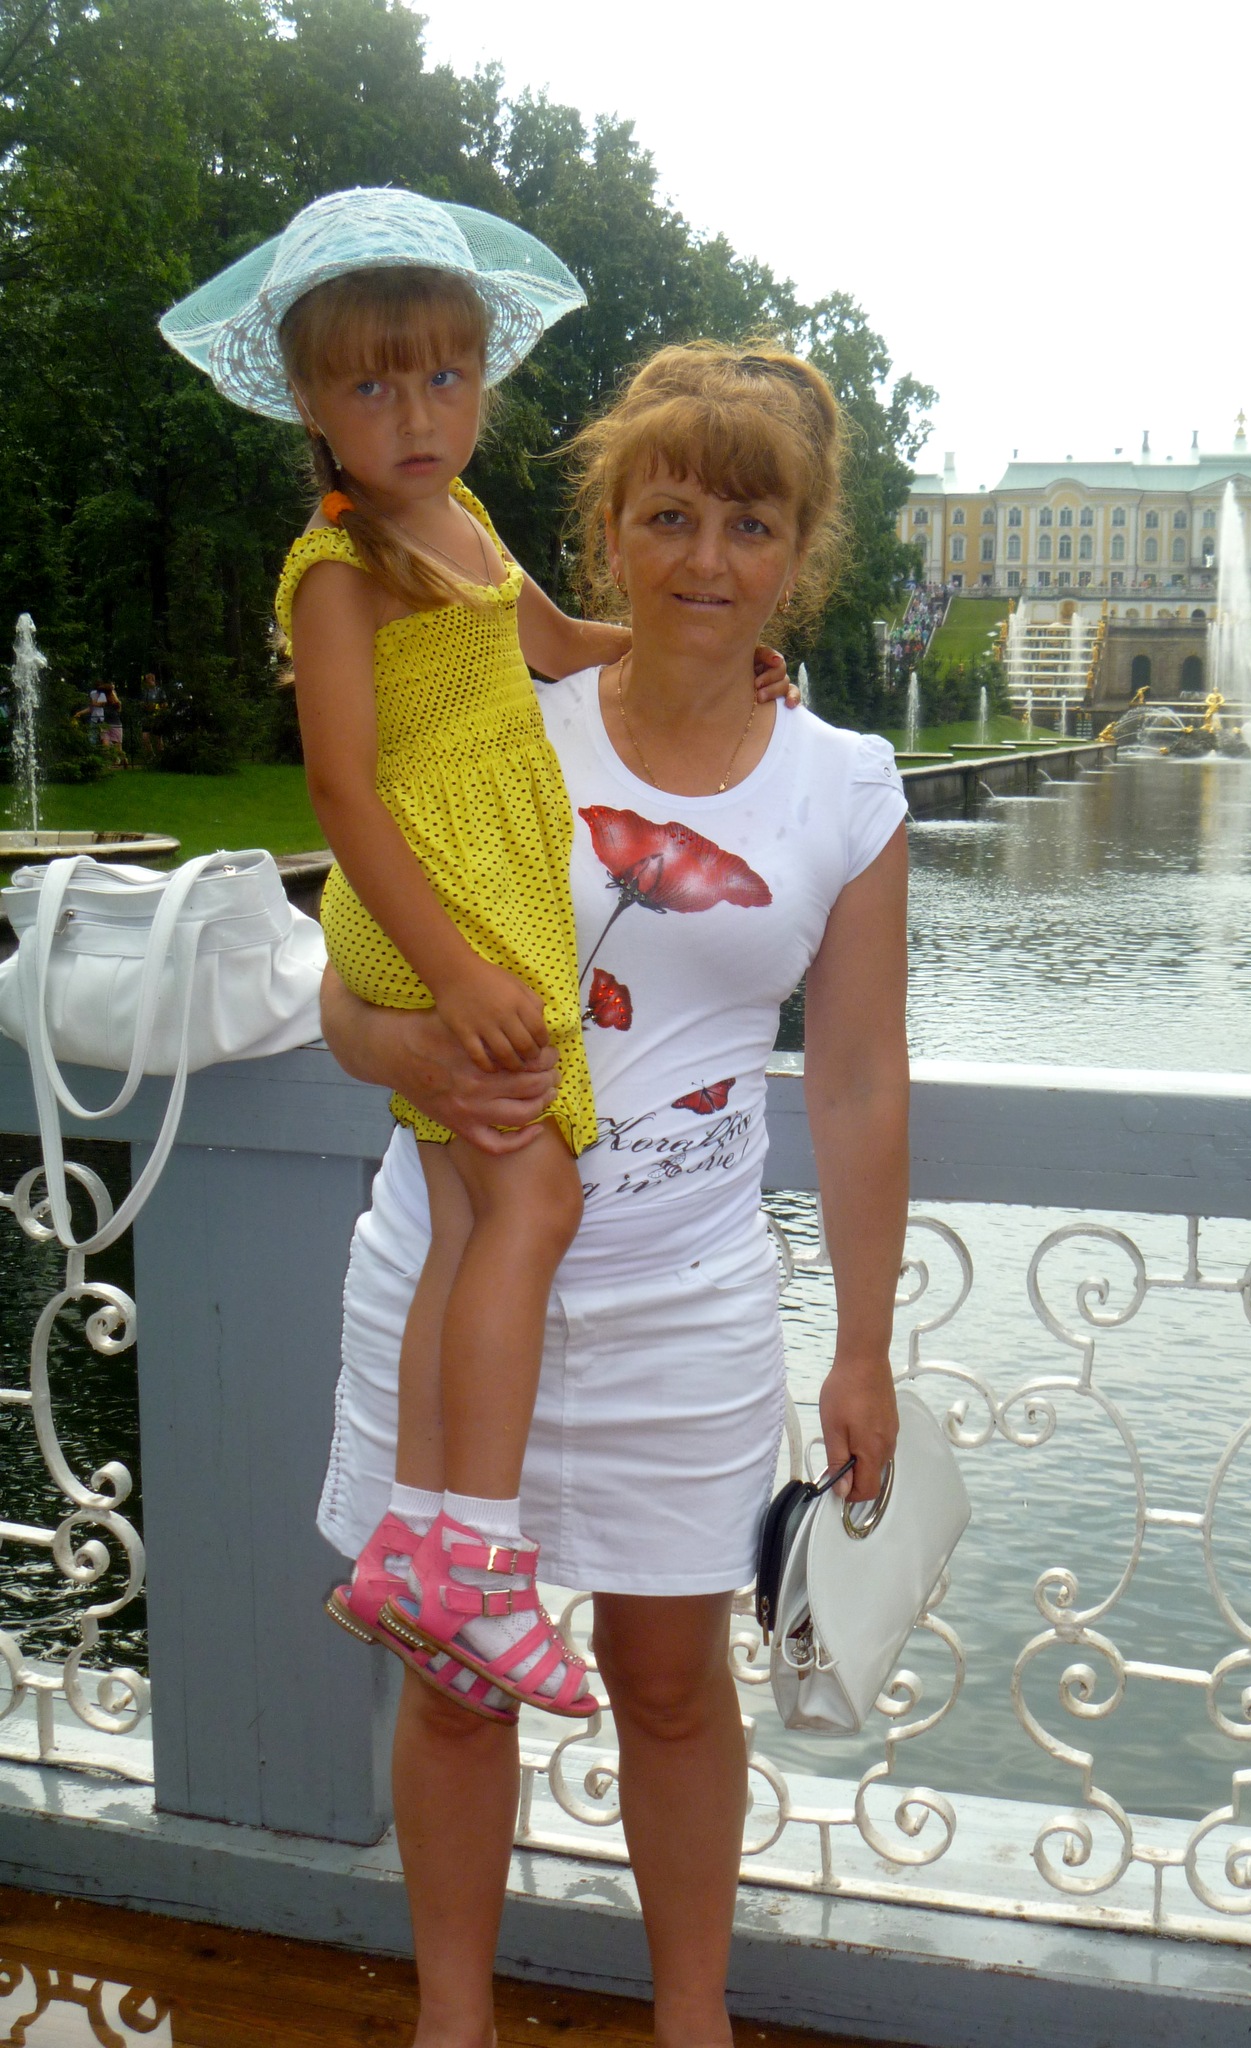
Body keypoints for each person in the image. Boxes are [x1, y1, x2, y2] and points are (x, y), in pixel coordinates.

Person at [319, 340, 910, 2048]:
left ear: (799, 552)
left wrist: (861, 1345)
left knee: (670, 1684)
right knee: (453, 1676)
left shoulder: (846, 789)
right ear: (610, 533)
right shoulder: (503, 722)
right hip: (449, 1270)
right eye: (669, 517)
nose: (706, 561)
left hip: (684, 1306)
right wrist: (408, 1053)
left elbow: (857, 1084)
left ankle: (689, 2022)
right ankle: (452, 2022)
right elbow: (352, 992)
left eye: (749, 524)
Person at [159, 188, 795, 1723]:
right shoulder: (340, 567)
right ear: (312, 401)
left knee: (466, 1219)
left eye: (445, 377)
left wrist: (698, 651)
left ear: (481, 380)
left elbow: (559, 643)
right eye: (374, 386)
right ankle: (479, 1564)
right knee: (538, 1196)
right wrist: (450, 973)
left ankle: (419, 1541)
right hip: (429, 901)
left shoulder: (463, 523)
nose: (417, 414)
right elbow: (342, 792)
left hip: (483, 887)